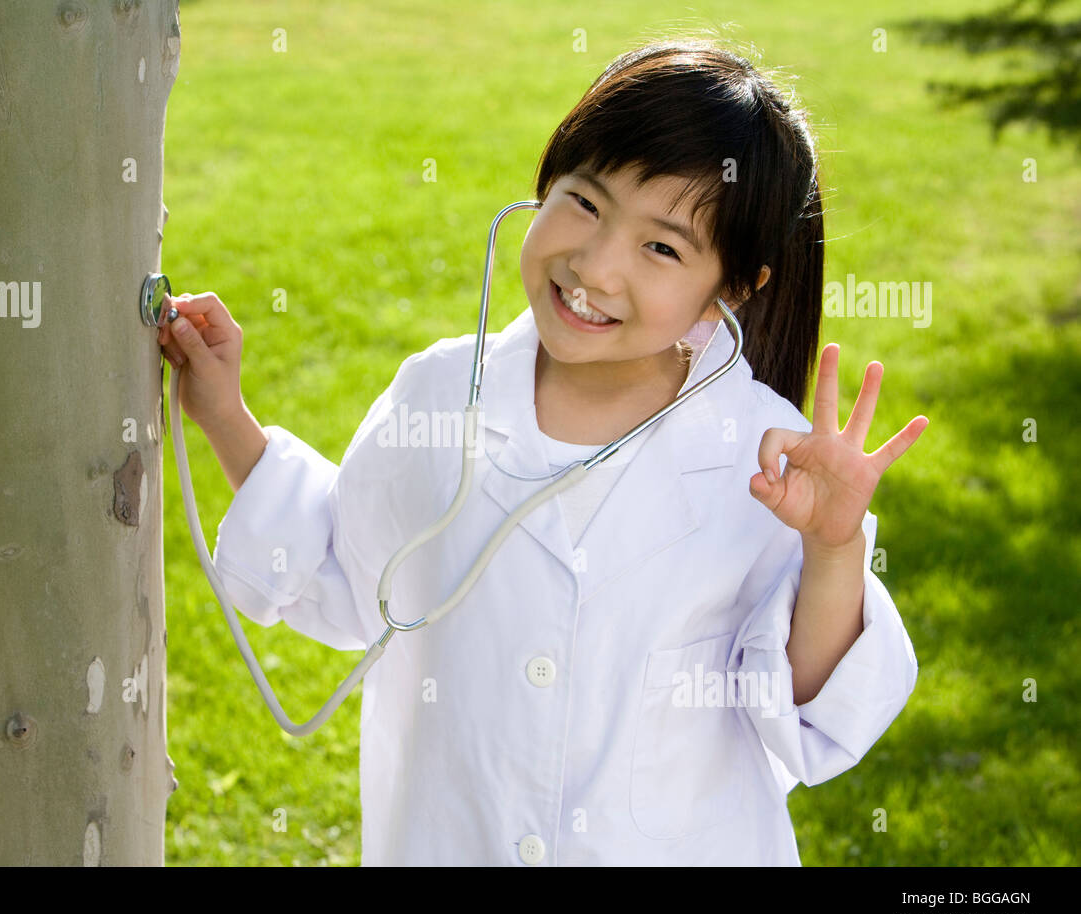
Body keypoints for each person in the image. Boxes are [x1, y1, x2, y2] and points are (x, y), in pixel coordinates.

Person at [155, 38, 929, 865]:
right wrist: (225, 414)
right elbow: (350, 575)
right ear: (542, 185)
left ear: (732, 288)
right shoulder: (442, 393)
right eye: (586, 203)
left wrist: (834, 545)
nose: (595, 266)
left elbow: (812, 707)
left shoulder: (770, 462)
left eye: (661, 247)